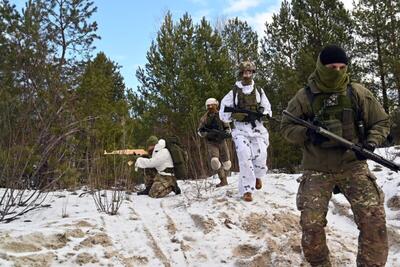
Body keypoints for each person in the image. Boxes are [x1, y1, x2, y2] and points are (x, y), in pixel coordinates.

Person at [281, 45, 389, 267]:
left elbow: (381, 121)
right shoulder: (304, 97)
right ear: (322, 67)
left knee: (374, 222)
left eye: (342, 67)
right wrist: (309, 134)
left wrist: (371, 142)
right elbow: (286, 128)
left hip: (353, 165)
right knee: (311, 226)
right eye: (332, 67)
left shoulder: (357, 92)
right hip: (317, 168)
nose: (337, 72)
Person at [219, 60, 272, 202]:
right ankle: (247, 190)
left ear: (253, 73)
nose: (247, 74)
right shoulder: (234, 91)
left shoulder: (259, 90)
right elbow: (224, 110)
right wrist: (235, 115)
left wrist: (263, 112)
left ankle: (258, 176)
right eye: (244, 72)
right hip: (241, 129)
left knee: (261, 154)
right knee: (244, 156)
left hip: (257, 128)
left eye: (249, 72)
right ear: (241, 73)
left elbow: (267, 107)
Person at [198, 98, 232, 187]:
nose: (210, 107)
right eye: (208, 105)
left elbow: (227, 127)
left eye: (212, 105)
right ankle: (223, 180)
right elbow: (199, 131)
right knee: (215, 161)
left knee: (227, 163)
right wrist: (207, 134)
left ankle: (225, 178)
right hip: (211, 142)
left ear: (216, 105)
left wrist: (226, 133)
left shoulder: (221, 115)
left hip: (221, 141)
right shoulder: (204, 118)